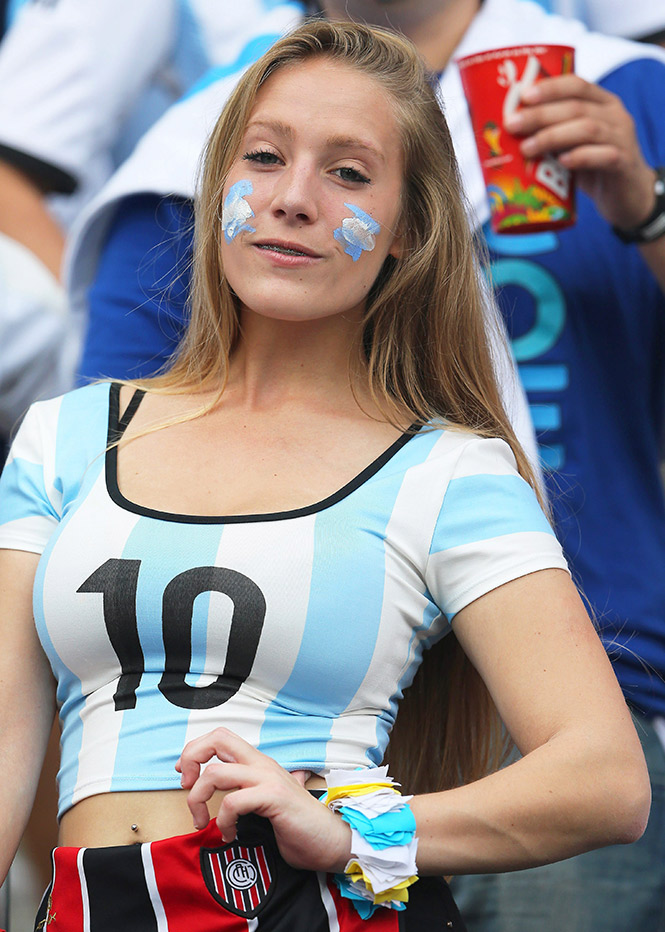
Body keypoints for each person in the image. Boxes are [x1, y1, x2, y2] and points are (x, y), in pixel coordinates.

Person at [0, 19, 649, 932]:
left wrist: (356, 829)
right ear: (218, 182)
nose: (293, 198)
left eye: (348, 173)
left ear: (405, 231)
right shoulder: (62, 438)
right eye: (263, 158)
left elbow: (606, 781)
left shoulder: (449, 471)